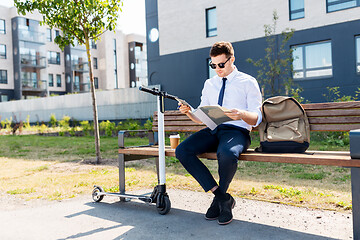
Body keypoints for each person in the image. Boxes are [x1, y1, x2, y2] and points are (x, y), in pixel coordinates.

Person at [175, 41, 262, 225]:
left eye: (221, 64)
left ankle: (219, 201)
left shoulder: (248, 82)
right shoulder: (209, 84)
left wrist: (241, 114)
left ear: (232, 59)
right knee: (182, 150)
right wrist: (190, 112)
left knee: (227, 154)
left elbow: (257, 118)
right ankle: (222, 197)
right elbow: (202, 118)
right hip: (214, 129)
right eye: (213, 65)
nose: (217, 69)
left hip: (237, 131)